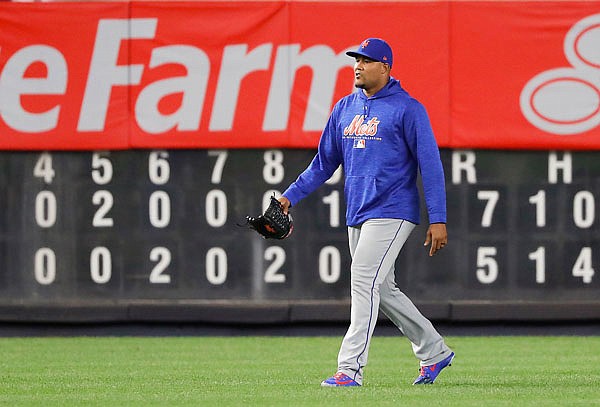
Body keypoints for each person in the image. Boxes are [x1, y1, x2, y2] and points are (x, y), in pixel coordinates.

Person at [278, 38, 454, 387]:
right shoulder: (345, 107)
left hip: (394, 209)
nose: (358, 66)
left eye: (367, 60)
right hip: (358, 210)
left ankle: (350, 369)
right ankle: (434, 350)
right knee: (382, 289)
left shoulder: (408, 109)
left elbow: (430, 166)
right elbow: (323, 164)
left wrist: (438, 217)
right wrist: (289, 196)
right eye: (356, 60)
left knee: (361, 279)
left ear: (386, 67)